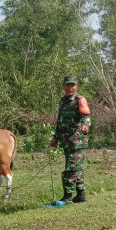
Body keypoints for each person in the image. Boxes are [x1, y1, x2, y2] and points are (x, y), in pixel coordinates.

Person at [50, 75, 91, 203]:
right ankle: (81, 195)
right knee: (76, 168)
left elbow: (86, 116)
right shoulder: (63, 101)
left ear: (76, 86)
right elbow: (60, 121)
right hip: (66, 141)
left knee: (71, 169)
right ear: (63, 86)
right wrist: (56, 137)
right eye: (67, 85)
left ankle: (67, 196)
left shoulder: (80, 99)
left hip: (77, 141)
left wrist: (85, 125)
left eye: (72, 85)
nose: (70, 88)